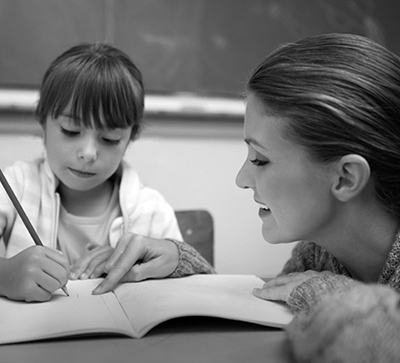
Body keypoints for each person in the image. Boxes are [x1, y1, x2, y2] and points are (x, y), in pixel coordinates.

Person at [0, 43, 213, 302]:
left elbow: (198, 288)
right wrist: (5, 274)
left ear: (129, 138)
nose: (88, 153)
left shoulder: (150, 210)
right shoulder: (15, 186)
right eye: (70, 131)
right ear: (42, 121)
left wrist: (167, 259)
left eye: (110, 138)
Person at [235, 33, 400, 361]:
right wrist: (185, 271)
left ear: (345, 178)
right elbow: (270, 309)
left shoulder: (320, 276)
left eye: (260, 160)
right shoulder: (318, 255)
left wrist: (329, 297)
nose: (241, 180)